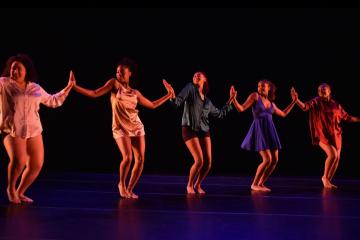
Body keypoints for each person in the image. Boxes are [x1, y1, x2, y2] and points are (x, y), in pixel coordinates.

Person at [73, 58, 174, 199]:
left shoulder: (135, 92)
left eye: (121, 72)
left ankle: (130, 189)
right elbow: (94, 93)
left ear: (129, 73)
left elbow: (152, 105)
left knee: (140, 160)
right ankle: (121, 184)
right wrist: (75, 87)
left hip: (136, 126)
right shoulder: (114, 84)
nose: (118, 74)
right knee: (127, 158)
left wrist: (168, 95)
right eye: (117, 72)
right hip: (120, 127)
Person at [0, 54, 75, 204]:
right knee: (19, 161)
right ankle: (11, 188)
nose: (14, 71)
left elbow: (53, 101)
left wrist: (68, 87)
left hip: (34, 129)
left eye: (18, 68)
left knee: (36, 164)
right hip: (12, 129)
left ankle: (20, 192)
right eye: (13, 68)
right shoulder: (3, 83)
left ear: (26, 71)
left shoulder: (35, 88)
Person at [164, 71, 234, 195]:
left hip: (204, 130)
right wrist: (172, 95)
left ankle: (198, 184)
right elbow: (177, 102)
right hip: (189, 128)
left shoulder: (208, 102)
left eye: (199, 74)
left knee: (208, 163)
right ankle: (190, 184)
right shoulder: (190, 88)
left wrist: (230, 101)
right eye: (195, 74)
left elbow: (220, 114)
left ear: (205, 80)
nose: (196, 75)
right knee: (199, 160)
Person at [231, 79, 296, 192]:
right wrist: (233, 99)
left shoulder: (271, 104)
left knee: (275, 160)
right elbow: (241, 109)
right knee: (267, 159)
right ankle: (254, 184)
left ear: (269, 88)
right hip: (259, 130)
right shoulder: (255, 96)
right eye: (259, 86)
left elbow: (284, 113)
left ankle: (261, 183)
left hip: (270, 131)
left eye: (263, 86)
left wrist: (294, 101)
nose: (260, 88)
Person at [291, 84, 360, 188]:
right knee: (333, 155)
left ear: (329, 91)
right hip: (322, 134)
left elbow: (347, 117)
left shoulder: (336, 104)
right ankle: (324, 178)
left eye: (324, 90)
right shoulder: (316, 101)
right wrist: (296, 100)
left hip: (336, 134)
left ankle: (328, 181)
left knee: (337, 159)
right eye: (319, 90)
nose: (321, 92)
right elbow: (305, 107)